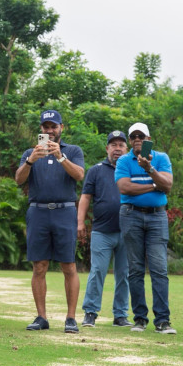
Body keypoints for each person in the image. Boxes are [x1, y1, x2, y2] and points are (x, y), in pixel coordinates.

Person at [15, 110, 85, 334]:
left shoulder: (73, 151)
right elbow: (18, 180)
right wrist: (30, 161)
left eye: (53, 126)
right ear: (41, 129)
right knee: (39, 266)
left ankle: (71, 318)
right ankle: (41, 317)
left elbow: (79, 175)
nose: (49, 131)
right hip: (38, 212)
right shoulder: (31, 152)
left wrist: (60, 157)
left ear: (61, 128)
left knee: (69, 265)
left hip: (64, 211)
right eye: (46, 127)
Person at [115, 122, 176, 334]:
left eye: (141, 136)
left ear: (149, 138)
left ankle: (162, 320)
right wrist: (153, 185)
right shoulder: (124, 159)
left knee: (159, 269)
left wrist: (149, 169)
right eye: (134, 137)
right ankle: (140, 318)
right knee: (135, 269)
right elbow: (124, 187)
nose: (137, 139)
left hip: (156, 217)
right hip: (130, 215)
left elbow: (167, 185)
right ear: (130, 140)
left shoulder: (161, 158)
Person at [77, 131, 130, 328]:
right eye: (113, 145)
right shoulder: (96, 170)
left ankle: (120, 315)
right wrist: (80, 222)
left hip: (128, 231)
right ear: (107, 148)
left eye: (121, 145)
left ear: (127, 149)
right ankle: (90, 312)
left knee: (124, 274)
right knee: (97, 271)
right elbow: (85, 198)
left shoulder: (132, 168)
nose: (117, 148)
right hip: (101, 230)